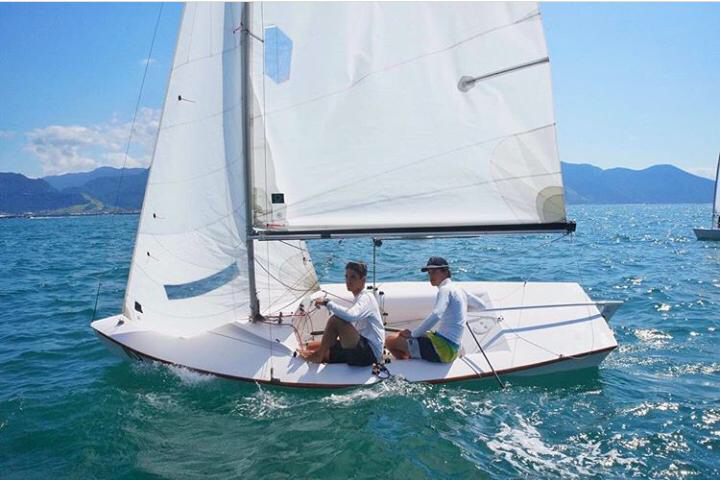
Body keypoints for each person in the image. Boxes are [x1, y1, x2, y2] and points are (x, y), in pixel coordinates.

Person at [385, 256, 490, 363]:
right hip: (453, 349)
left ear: (445, 272)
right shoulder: (459, 289)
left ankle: (409, 363)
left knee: (390, 341)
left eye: (434, 272)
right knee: (409, 335)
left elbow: (437, 314)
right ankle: (413, 354)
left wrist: (413, 334)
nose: (430, 276)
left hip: (443, 351)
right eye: (429, 273)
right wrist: (458, 309)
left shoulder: (445, 289)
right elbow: (481, 306)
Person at [299, 261, 384, 366]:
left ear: (363, 280)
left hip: (370, 353)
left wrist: (327, 302)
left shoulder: (366, 297)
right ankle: (319, 354)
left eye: (353, 277)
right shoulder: (359, 298)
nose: (348, 281)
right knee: (311, 346)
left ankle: (318, 356)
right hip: (360, 348)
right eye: (346, 277)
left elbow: (352, 315)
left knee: (335, 320)